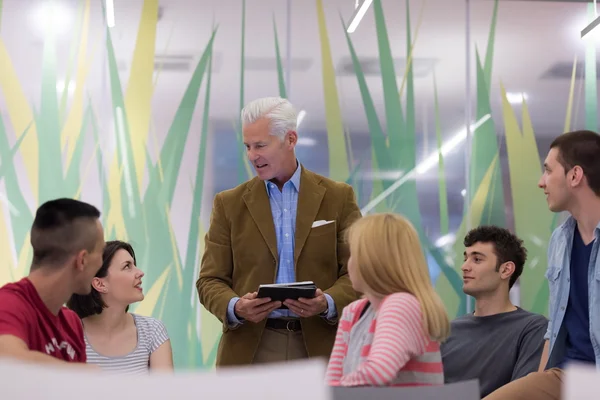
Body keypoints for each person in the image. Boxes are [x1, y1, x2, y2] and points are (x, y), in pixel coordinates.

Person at [197, 96, 362, 366]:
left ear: (290, 139)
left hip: (321, 348)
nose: (252, 155)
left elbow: (359, 273)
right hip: (250, 350)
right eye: (247, 146)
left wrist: (328, 302)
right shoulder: (228, 204)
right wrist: (236, 306)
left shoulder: (338, 197)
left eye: (260, 145)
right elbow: (209, 280)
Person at [484, 130, 600, 399]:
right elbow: (555, 326)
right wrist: (538, 379)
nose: (541, 182)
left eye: (548, 170)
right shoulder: (560, 240)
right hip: (568, 376)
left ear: (575, 176)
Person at [325, 213, 450, 386]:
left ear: (372, 260)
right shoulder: (352, 311)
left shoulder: (401, 304)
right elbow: (332, 381)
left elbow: (378, 372)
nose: (348, 264)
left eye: (353, 254)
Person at [441, 225, 548, 397]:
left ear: (506, 270)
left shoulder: (533, 329)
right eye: (465, 258)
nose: (464, 267)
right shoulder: (449, 331)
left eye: (477, 260)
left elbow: (525, 393)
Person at [0, 198, 105, 366]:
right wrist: (86, 374)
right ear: (82, 260)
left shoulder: (72, 323)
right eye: (101, 252)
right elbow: (9, 361)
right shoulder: (7, 304)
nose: (101, 263)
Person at [67, 240, 173, 374]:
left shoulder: (153, 332)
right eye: (127, 266)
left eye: (134, 265)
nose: (140, 272)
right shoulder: (70, 336)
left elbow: (165, 393)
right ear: (100, 284)